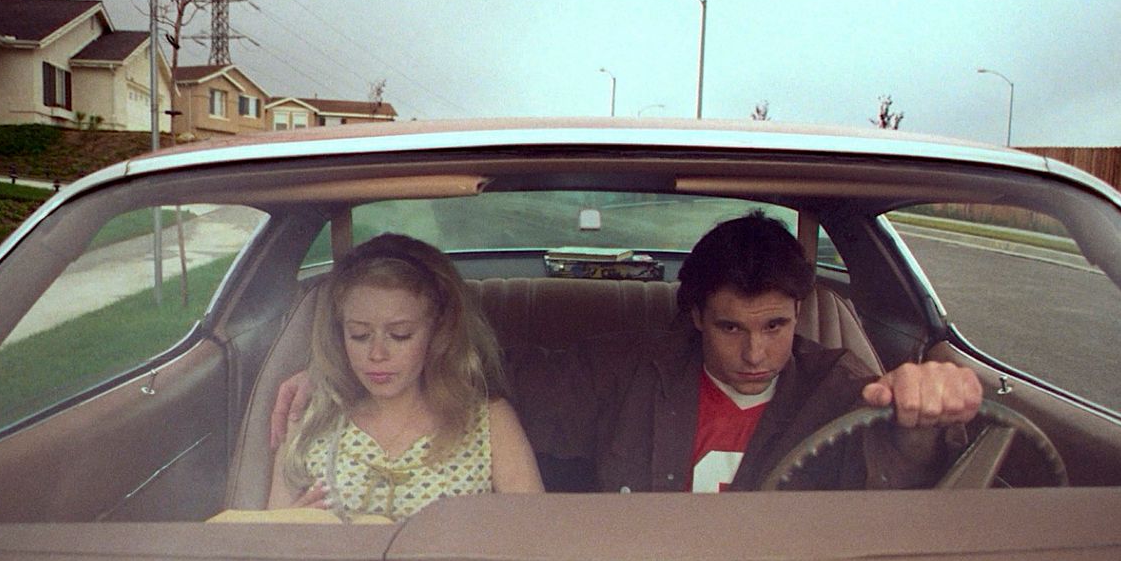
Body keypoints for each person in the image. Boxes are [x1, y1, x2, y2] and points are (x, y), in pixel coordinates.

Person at [274, 213, 980, 494]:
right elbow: (485, 367)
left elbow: (899, 484)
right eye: (732, 328)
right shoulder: (634, 371)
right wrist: (349, 370)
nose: (757, 352)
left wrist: (929, 413)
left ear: (801, 315)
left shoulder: (841, 386)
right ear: (696, 315)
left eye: (777, 325)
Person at [268, 233, 543, 519]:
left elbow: (534, 534)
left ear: (438, 332)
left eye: (400, 335)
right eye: (359, 335)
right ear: (340, 334)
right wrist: (287, 526)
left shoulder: (489, 421)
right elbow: (262, 538)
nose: (377, 354)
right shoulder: (311, 413)